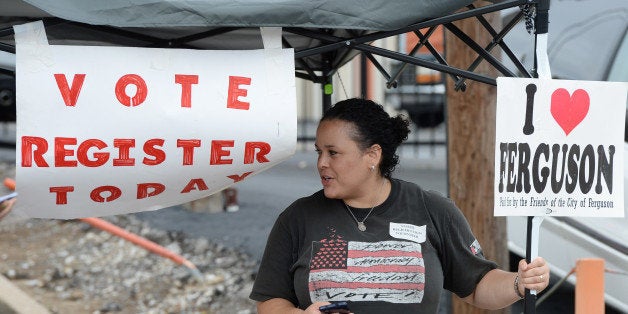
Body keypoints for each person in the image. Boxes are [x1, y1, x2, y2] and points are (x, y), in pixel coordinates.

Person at [249, 98, 550, 313]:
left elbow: (478, 284)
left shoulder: (432, 209)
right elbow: (270, 300)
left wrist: (519, 283)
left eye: (333, 153)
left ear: (372, 155)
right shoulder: (297, 218)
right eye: (318, 152)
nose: (321, 164)